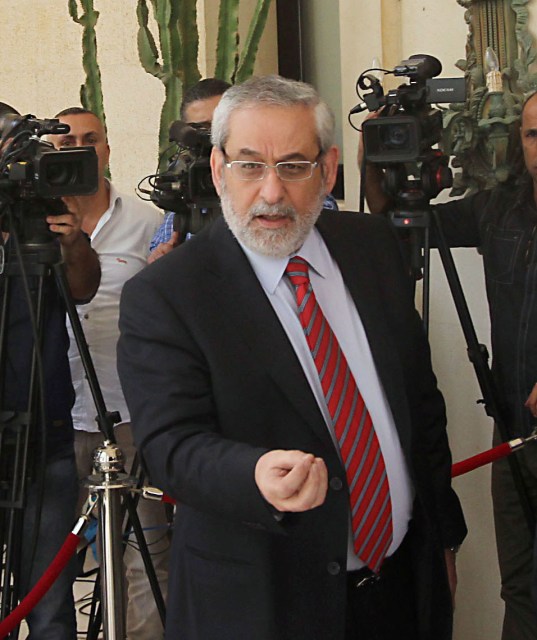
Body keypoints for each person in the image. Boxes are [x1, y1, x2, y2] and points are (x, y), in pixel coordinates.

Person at [117, 75, 466, 640]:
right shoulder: (168, 294)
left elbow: (420, 404)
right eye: (250, 166)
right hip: (265, 605)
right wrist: (253, 474)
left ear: (327, 169)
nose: (272, 192)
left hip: (402, 588)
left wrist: (443, 539)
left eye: (294, 166)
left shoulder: (373, 247)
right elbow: (169, 445)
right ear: (218, 170)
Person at [360, 92, 537, 640]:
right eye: (533, 134)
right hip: (514, 428)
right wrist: (374, 162)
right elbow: (398, 224)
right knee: (521, 582)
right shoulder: (498, 208)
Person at [49, 107, 169, 639]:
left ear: (107, 149)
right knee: (50, 561)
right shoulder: (31, 228)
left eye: (90, 138)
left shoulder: (146, 222)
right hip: (58, 415)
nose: (79, 148)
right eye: (66, 141)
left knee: (143, 557)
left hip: (129, 415)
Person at [0, 102, 101, 639]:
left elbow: (82, 288)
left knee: (50, 612)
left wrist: (73, 240)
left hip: (46, 436)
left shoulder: (44, 218)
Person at [148, 78, 231, 261]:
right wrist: (163, 260)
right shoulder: (187, 188)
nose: (212, 138)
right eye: (201, 129)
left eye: (220, 126)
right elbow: (162, 248)